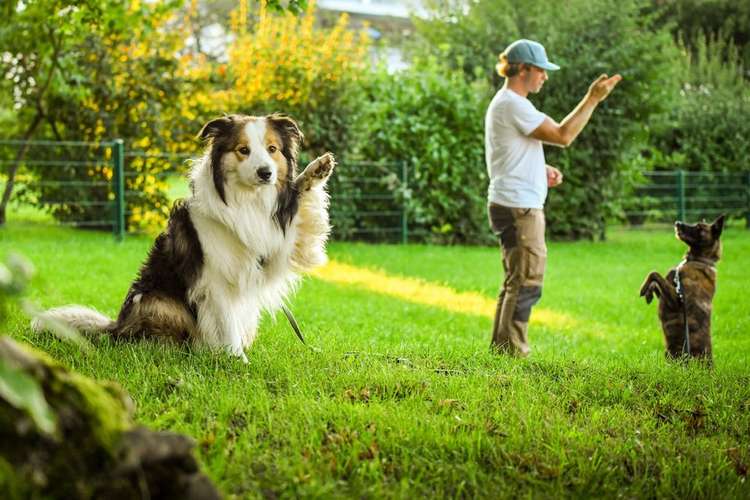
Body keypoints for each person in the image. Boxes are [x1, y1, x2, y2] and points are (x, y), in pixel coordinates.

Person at [485, 38, 621, 356]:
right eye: (541, 70)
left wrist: (539, 168)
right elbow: (563, 135)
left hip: (511, 202)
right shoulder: (513, 104)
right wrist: (592, 98)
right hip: (519, 209)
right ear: (524, 70)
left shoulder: (507, 103)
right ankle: (513, 351)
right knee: (527, 282)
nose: (545, 76)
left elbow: (508, 152)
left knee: (516, 280)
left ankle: (503, 349)